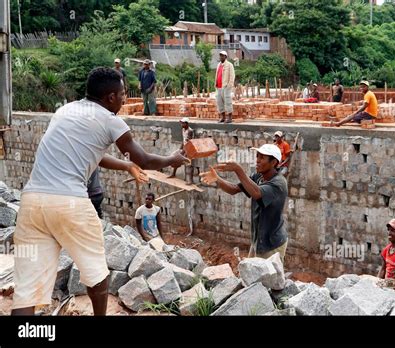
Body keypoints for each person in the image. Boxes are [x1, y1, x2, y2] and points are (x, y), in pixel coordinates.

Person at [11, 67, 187, 316]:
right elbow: (145, 159)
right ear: (111, 98)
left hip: (31, 203)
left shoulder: (66, 110)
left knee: (25, 292)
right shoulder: (111, 120)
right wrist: (172, 159)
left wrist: (125, 165)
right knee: (96, 274)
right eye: (123, 93)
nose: (125, 99)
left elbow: (90, 152)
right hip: (70, 202)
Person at [200, 144, 288, 262]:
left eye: (262, 158)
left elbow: (257, 193)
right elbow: (234, 189)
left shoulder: (278, 183)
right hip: (258, 241)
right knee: (252, 276)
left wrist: (238, 169)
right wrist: (217, 179)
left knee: (268, 279)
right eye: (257, 156)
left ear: (273, 163)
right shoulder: (258, 176)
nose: (257, 160)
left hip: (272, 245)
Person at [169, 117, 194, 184]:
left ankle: (190, 181)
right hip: (184, 148)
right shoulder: (183, 130)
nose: (181, 124)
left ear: (186, 123)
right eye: (181, 123)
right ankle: (173, 174)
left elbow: (189, 143)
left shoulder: (190, 131)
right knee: (175, 159)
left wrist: (184, 151)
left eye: (183, 123)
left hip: (189, 148)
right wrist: (180, 149)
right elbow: (184, 141)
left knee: (188, 164)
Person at [215, 51, 235, 123]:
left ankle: (229, 118)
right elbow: (217, 75)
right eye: (220, 56)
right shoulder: (218, 65)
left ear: (225, 57)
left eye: (222, 56)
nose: (221, 57)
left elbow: (232, 76)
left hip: (225, 87)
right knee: (219, 102)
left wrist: (229, 86)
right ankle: (222, 117)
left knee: (227, 102)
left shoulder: (229, 65)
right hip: (218, 87)